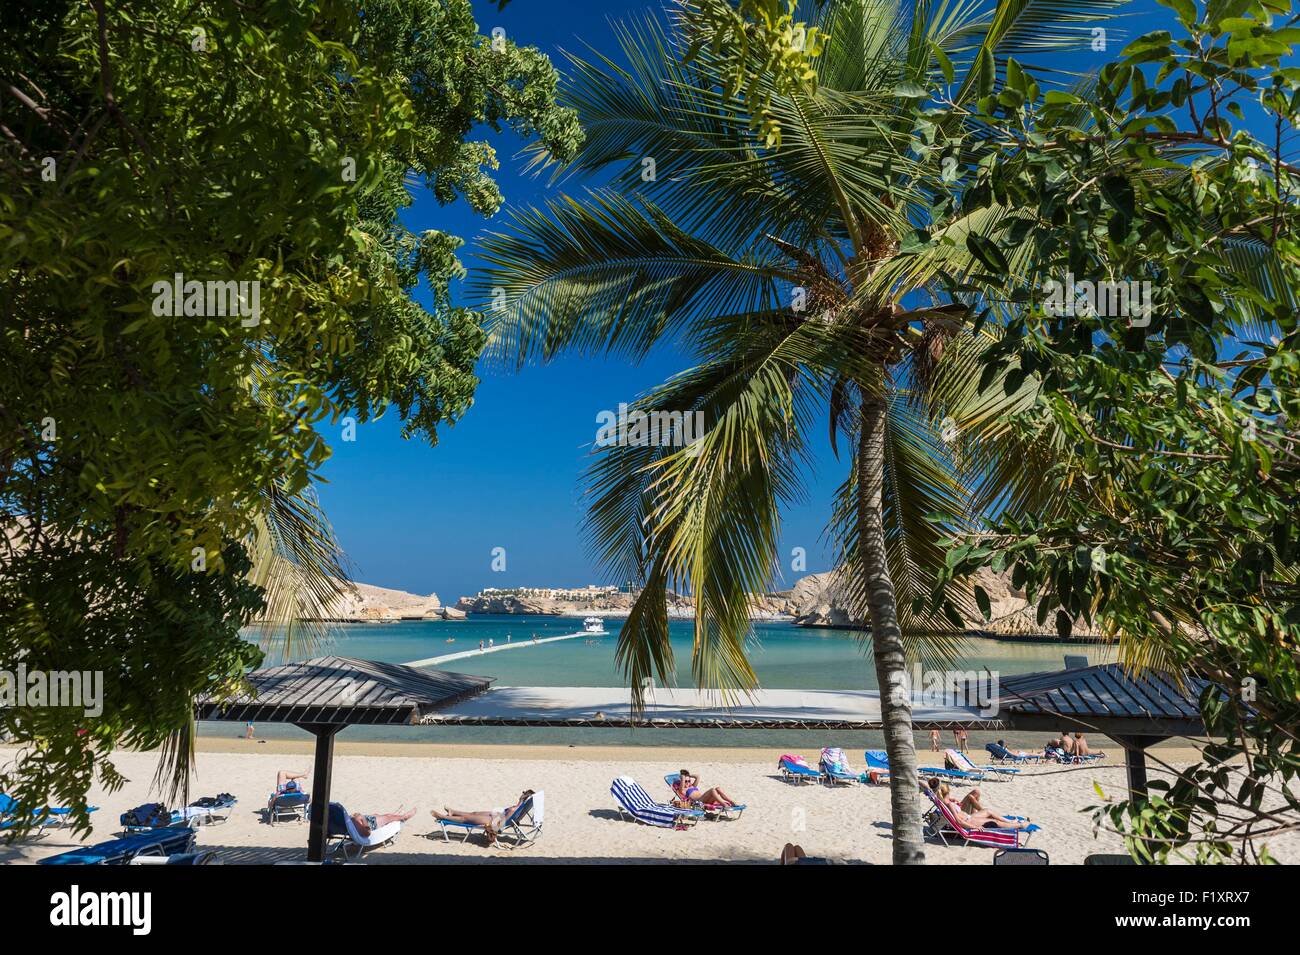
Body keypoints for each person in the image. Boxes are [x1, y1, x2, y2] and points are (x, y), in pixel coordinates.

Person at [432, 790, 534, 846]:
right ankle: (453, 812)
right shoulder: (519, 806)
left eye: (524, 792)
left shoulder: (513, 810)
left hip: (492, 820)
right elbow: (513, 814)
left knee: (465, 819)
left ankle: (442, 817)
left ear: (524, 797)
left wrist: (491, 827)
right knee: (473, 813)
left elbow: (501, 823)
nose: (522, 792)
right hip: (495, 816)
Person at [928, 778, 1030, 830]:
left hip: (968, 817)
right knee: (994, 822)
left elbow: (930, 788)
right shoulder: (948, 804)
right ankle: (1020, 825)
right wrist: (975, 828)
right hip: (969, 821)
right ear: (948, 792)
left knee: (988, 811)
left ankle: (1011, 822)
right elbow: (959, 822)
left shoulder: (942, 801)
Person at [671, 769, 738, 808]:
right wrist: (683, 777)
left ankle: (732, 802)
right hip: (699, 801)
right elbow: (682, 780)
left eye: (689, 781)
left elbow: (697, 776)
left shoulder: (692, 786)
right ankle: (724, 804)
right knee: (712, 790)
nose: (688, 783)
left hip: (706, 800)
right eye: (686, 781)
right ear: (682, 782)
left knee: (718, 788)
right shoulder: (683, 790)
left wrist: (688, 775)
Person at [351, 806, 417, 838]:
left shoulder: (347, 823)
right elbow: (367, 833)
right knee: (388, 817)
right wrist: (363, 818)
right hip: (372, 823)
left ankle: (395, 816)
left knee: (380, 815)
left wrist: (356, 817)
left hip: (367, 821)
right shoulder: (356, 822)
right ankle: (403, 817)